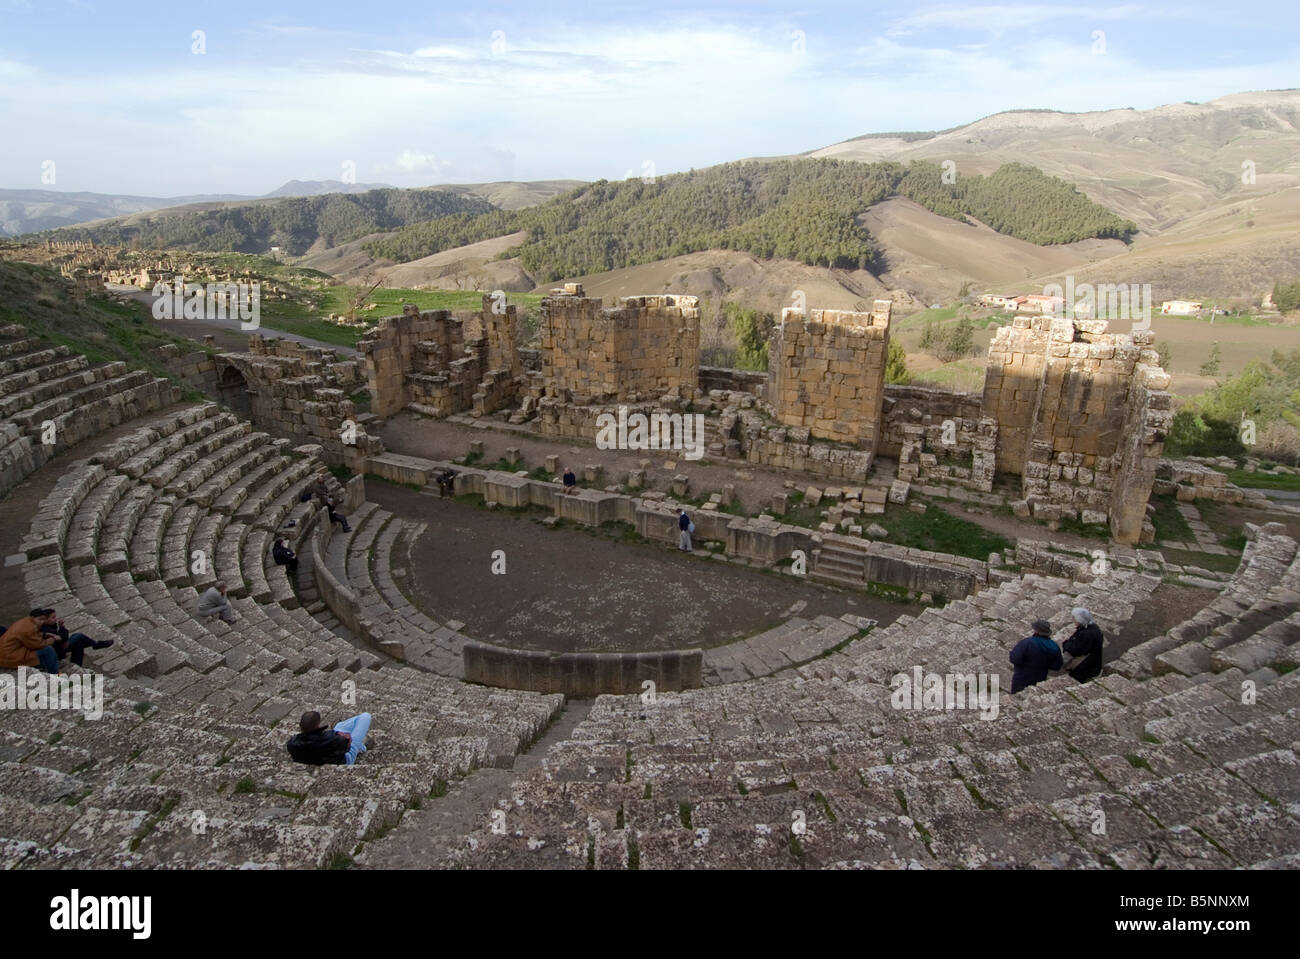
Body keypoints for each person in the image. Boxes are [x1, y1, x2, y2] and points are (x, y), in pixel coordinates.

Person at [286, 710, 373, 766]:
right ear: (317, 725)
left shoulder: (292, 743)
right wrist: (345, 737)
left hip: (316, 757)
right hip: (344, 760)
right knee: (366, 716)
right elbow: (348, 744)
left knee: (339, 726)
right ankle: (362, 747)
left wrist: (336, 733)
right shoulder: (333, 739)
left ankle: (339, 728)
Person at [39, 609, 113, 667]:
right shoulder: (46, 630)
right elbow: (63, 638)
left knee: (79, 643)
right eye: (53, 617)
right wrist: (61, 627)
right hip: (58, 651)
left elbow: (61, 637)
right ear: (45, 620)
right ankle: (95, 645)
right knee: (78, 636)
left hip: (59, 647)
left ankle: (77, 665)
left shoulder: (48, 626)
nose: (55, 619)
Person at [1009, 618, 1063, 693]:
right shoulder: (1054, 646)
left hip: (1022, 676)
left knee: (1017, 696)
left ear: (1036, 630)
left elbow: (1015, 658)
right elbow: (1057, 666)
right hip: (1041, 677)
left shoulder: (1028, 642)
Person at [0, 609, 61, 674]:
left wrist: (44, 634)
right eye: (40, 619)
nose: (42, 622)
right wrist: (53, 639)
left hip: (8, 653)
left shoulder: (27, 621)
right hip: (11, 656)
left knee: (46, 656)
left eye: (43, 619)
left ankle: (46, 667)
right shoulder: (29, 628)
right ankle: (55, 674)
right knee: (48, 650)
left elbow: (30, 636)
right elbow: (38, 645)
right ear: (33, 618)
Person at [1062, 607, 1104, 683]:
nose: (1072, 619)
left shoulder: (1086, 634)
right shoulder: (1093, 627)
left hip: (1086, 666)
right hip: (1093, 660)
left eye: (1074, 617)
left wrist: (1065, 644)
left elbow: (1076, 650)